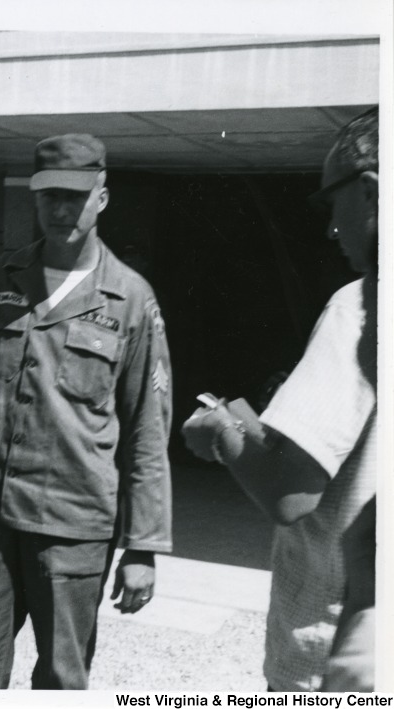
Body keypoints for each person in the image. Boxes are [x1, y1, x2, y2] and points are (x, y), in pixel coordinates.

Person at [0, 134, 173, 690]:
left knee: (62, 678)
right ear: (34, 199)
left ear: (101, 199)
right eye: (49, 196)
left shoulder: (131, 299)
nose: (61, 209)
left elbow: (145, 430)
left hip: (75, 526)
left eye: (76, 196)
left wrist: (143, 546)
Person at [181, 107, 378, 691]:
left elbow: (292, 494)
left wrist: (219, 432)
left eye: (329, 203)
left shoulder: (360, 308)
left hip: (339, 651)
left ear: (370, 191)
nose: (330, 229)